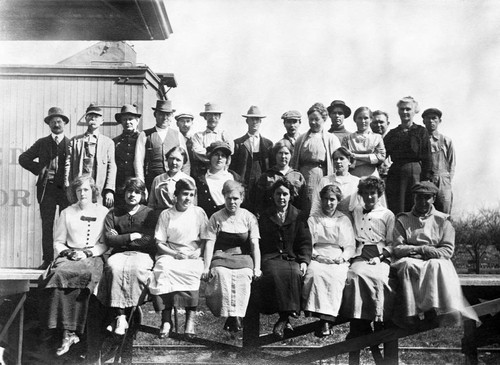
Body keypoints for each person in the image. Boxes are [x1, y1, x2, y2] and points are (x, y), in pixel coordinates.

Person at [39, 175, 109, 356]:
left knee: (86, 275)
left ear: (93, 191)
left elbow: (104, 243)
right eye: (78, 190)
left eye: (85, 189)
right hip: (70, 255)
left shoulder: (103, 212)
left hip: (91, 256)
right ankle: (63, 331)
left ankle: (75, 332)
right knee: (59, 274)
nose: (82, 193)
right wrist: (69, 253)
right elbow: (58, 241)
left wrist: (87, 253)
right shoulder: (67, 212)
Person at [391, 182, 477, 327]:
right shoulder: (403, 220)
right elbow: (397, 247)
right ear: (414, 198)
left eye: (427, 197)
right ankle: (410, 312)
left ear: (434, 198)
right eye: (419, 197)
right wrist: (421, 250)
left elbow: (448, 250)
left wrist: (430, 254)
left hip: (435, 258)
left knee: (435, 265)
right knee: (407, 265)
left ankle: (431, 308)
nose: (423, 202)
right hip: (411, 257)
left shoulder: (443, 220)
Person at [341, 177, 395, 356]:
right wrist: (358, 190)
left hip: (380, 255)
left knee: (379, 279)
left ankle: (378, 320)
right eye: (366, 193)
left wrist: (381, 258)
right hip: (361, 253)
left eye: (373, 193)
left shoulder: (387, 214)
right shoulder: (356, 210)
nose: (370, 197)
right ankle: (359, 321)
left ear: (379, 195)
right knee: (354, 276)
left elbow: (391, 243)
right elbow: (349, 204)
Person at [97, 178, 158, 336]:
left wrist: (122, 239)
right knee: (113, 268)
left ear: (142, 195)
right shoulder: (114, 213)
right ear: (124, 193)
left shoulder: (150, 213)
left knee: (136, 269)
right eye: (129, 191)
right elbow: (109, 239)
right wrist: (132, 237)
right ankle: (121, 316)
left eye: (137, 192)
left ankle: (124, 313)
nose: (132, 195)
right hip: (119, 253)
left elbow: (150, 239)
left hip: (142, 254)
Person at [149, 179, 209, 339]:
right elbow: (159, 242)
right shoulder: (166, 214)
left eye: (191, 195)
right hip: (170, 253)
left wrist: (199, 251)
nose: (188, 198)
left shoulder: (199, 213)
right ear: (176, 195)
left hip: (192, 253)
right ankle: (166, 320)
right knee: (163, 269)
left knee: (192, 271)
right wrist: (174, 254)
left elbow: (206, 238)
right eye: (184, 194)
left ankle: (190, 320)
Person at [202, 180, 261, 334]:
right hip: (221, 255)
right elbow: (209, 243)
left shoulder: (249, 217)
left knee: (244, 275)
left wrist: (257, 267)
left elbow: (255, 245)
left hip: (242, 256)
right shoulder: (216, 217)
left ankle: (236, 315)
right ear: (224, 198)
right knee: (220, 274)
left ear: (241, 198)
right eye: (228, 198)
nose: (232, 202)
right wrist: (206, 267)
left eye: (235, 198)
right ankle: (229, 314)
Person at [257, 180, 312, 339]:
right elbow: (260, 242)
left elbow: (305, 241)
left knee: (295, 272)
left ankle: (283, 319)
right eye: (278, 194)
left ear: (291, 196)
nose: (281, 197)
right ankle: (285, 318)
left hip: (291, 257)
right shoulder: (266, 216)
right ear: (273, 195)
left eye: (285, 194)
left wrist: (303, 260)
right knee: (273, 273)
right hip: (271, 256)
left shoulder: (298, 215)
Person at [19, 106, 70, 269]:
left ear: (64, 123)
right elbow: (23, 158)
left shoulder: (72, 143)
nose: (56, 124)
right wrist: (39, 169)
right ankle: (47, 260)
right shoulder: (42, 143)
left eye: (59, 121)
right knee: (47, 226)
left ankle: (65, 261)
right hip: (46, 190)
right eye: (53, 121)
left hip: (65, 191)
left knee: (65, 225)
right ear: (48, 124)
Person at [302, 184, 355, 337]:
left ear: (337, 201)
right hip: (317, 254)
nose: (328, 203)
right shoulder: (314, 219)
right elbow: (308, 242)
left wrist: (342, 258)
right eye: (325, 199)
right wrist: (317, 256)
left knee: (336, 276)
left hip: (337, 256)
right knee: (314, 273)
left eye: (332, 200)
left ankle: (327, 320)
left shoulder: (343, 219)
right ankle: (318, 315)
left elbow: (350, 245)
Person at [384, 96, 432, 214]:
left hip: (416, 174)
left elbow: (427, 157)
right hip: (396, 174)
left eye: (408, 109)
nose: (405, 112)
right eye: (402, 109)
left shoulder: (421, 131)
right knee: (397, 207)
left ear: (414, 110)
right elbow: (382, 154)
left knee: (415, 205)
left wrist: (426, 179)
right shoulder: (393, 133)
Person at [291, 102, 341, 213]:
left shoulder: (331, 139)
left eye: (316, 119)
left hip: (322, 177)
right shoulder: (301, 139)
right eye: (310, 119)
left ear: (324, 119)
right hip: (303, 178)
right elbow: (294, 162)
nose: (313, 122)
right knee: (304, 208)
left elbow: (338, 162)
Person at [65, 103, 116, 208]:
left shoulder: (108, 142)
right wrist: (67, 184)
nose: (93, 118)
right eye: (90, 116)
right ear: (86, 119)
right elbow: (68, 164)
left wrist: (109, 190)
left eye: (96, 116)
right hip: (79, 189)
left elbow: (111, 167)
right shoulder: (75, 141)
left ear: (102, 121)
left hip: (99, 188)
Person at [134, 100, 189, 192]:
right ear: (155, 115)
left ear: (171, 116)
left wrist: (184, 182)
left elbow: (186, 163)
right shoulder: (145, 135)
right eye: (161, 114)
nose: (164, 118)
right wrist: (141, 185)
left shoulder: (178, 135)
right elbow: (138, 162)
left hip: (175, 183)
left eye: (168, 115)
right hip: (151, 183)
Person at [229, 105, 274, 212]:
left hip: (262, 184)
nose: (255, 122)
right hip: (244, 183)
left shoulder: (268, 144)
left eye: (257, 119)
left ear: (260, 122)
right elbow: (233, 167)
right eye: (252, 119)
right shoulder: (238, 143)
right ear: (247, 121)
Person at [255, 139, 307, 216]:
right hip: (271, 216)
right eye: (280, 153)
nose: (283, 156)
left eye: (286, 153)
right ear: (275, 155)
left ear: (291, 155)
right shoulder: (267, 176)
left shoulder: (298, 176)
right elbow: (259, 201)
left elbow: (303, 201)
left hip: (293, 218)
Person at [195, 141, 241, 219]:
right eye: (216, 154)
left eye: (223, 155)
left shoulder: (234, 178)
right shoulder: (200, 180)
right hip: (208, 221)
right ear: (210, 157)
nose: (220, 158)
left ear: (227, 159)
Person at [422, 108, 455, 214]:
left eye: (434, 118)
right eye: (428, 118)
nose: (431, 121)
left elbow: (452, 163)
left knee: (444, 213)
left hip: (443, 181)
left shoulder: (446, 141)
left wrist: (446, 180)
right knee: (425, 213)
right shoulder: (420, 140)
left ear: (439, 121)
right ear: (424, 121)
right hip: (426, 180)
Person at [310, 147, 360, 217]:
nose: (338, 161)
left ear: (349, 161)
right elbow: (316, 204)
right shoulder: (325, 180)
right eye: (335, 159)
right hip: (328, 220)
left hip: (350, 221)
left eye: (341, 158)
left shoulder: (356, 182)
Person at [342, 107, 386, 178]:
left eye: (366, 118)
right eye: (359, 118)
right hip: (353, 176)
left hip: (372, 176)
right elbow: (345, 160)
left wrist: (355, 156)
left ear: (371, 119)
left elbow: (381, 158)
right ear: (355, 120)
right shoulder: (347, 139)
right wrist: (371, 159)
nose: (363, 121)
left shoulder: (377, 138)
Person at [191, 102, 232, 178]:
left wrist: (214, 156)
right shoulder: (198, 136)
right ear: (205, 117)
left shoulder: (224, 134)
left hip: (222, 172)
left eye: (215, 115)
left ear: (219, 117)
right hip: (202, 173)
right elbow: (198, 152)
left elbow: (230, 152)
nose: (213, 118)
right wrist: (218, 154)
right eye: (209, 115)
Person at [148, 146, 195, 211]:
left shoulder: (188, 180)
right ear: (167, 159)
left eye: (178, 160)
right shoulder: (158, 179)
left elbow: (192, 205)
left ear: (183, 162)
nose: (174, 162)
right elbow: (151, 204)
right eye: (171, 158)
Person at [113, 104, 141, 208]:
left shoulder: (143, 139)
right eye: (124, 119)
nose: (127, 122)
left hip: (137, 187)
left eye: (130, 119)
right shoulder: (115, 142)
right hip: (120, 187)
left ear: (137, 121)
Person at [370, 110, 392, 182]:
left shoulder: (393, 139)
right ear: (370, 124)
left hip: (390, 177)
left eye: (381, 122)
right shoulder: (367, 140)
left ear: (388, 124)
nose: (378, 125)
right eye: (375, 122)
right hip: (372, 177)